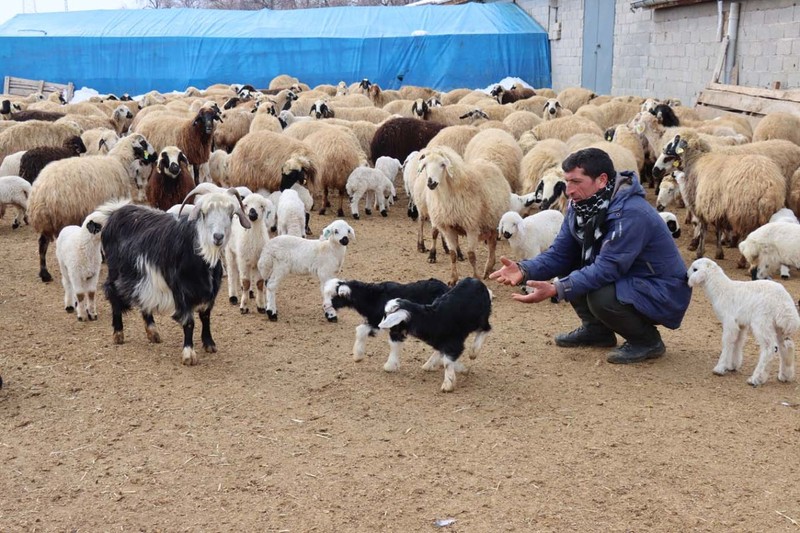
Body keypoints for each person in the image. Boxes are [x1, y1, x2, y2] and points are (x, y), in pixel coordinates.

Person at [489, 147, 691, 364]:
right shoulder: (582, 206)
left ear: (602, 180)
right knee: (576, 267)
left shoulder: (631, 213)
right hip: (633, 280)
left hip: (662, 290)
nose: (569, 190)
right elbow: (561, 253)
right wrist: (524, 269)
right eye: (567, 182)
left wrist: (558, 288)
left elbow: (607, 269)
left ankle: (647, 341)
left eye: (576, 182)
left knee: (599, 294)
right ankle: (597, 331)